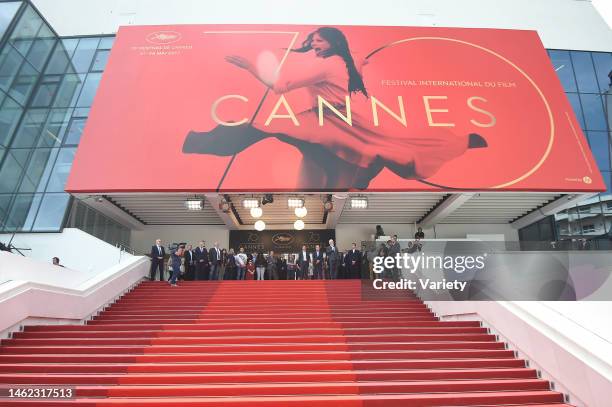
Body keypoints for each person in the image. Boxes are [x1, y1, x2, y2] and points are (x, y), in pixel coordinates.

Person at [183, 26, 487, 190]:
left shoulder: (329, 65)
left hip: (327, 120)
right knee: (373, 154)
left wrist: (250, 66)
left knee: (261, 127)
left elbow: (282, 86)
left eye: (318, 41)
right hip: (339, 119)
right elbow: (359, 58)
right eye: (311, 41)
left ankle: (195, 142)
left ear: (331, 44)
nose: (313, 45)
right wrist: (360, 60)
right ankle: (198, 142)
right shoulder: (346, 60)